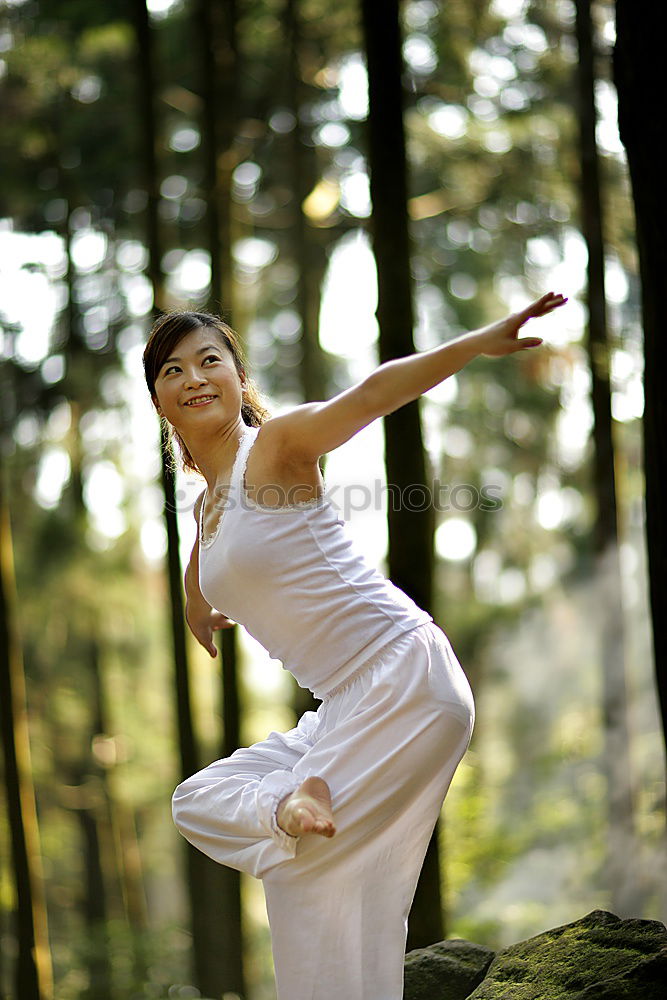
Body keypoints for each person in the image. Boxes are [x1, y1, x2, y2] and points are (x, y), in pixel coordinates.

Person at [142, 291, 566, 1000]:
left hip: (402, 675)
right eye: (172, 370)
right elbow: (205, 558)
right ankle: (288, 804)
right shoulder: (205, 504)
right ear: (157, 398)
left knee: (304, 874)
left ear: (237, 382)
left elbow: (371, 392)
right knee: (206, 803)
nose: (192, 379)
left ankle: (288, 806)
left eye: (208, 361)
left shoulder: (277, 448)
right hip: (344, 704)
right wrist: (194, 603)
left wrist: (473, 344)